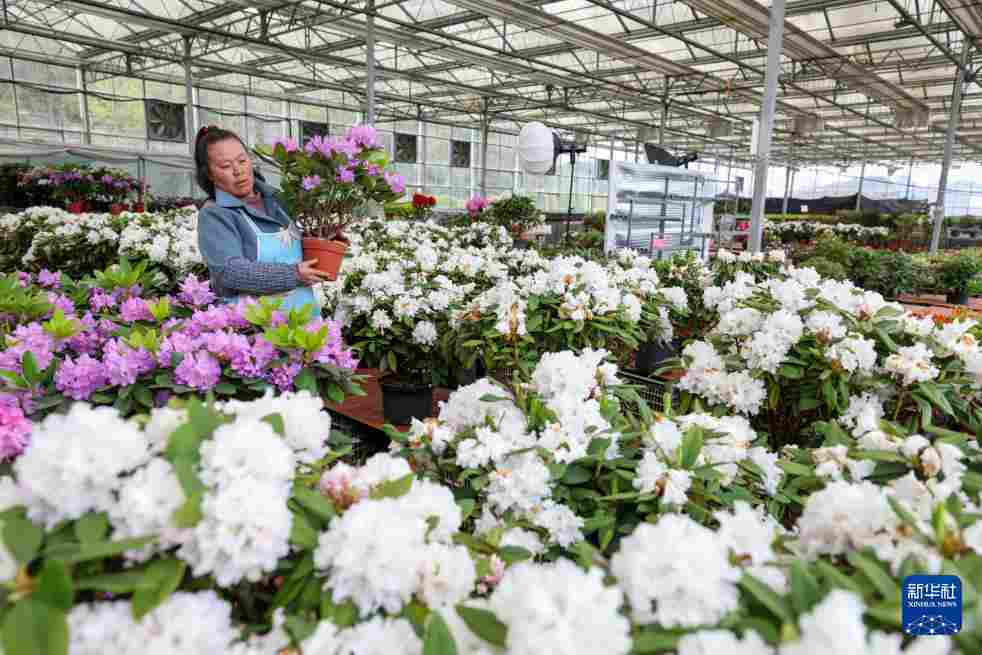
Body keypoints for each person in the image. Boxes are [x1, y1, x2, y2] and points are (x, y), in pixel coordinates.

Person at [195, 125, 330, 311]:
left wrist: (328, 240)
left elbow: (301, 245)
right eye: (226, 166)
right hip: (254, 326)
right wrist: (293, 275)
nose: (238, 171)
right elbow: (230, 271)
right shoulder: (215, 214)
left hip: (304, 315)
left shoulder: (279, 200)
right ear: (210, 174)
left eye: (242, 161)